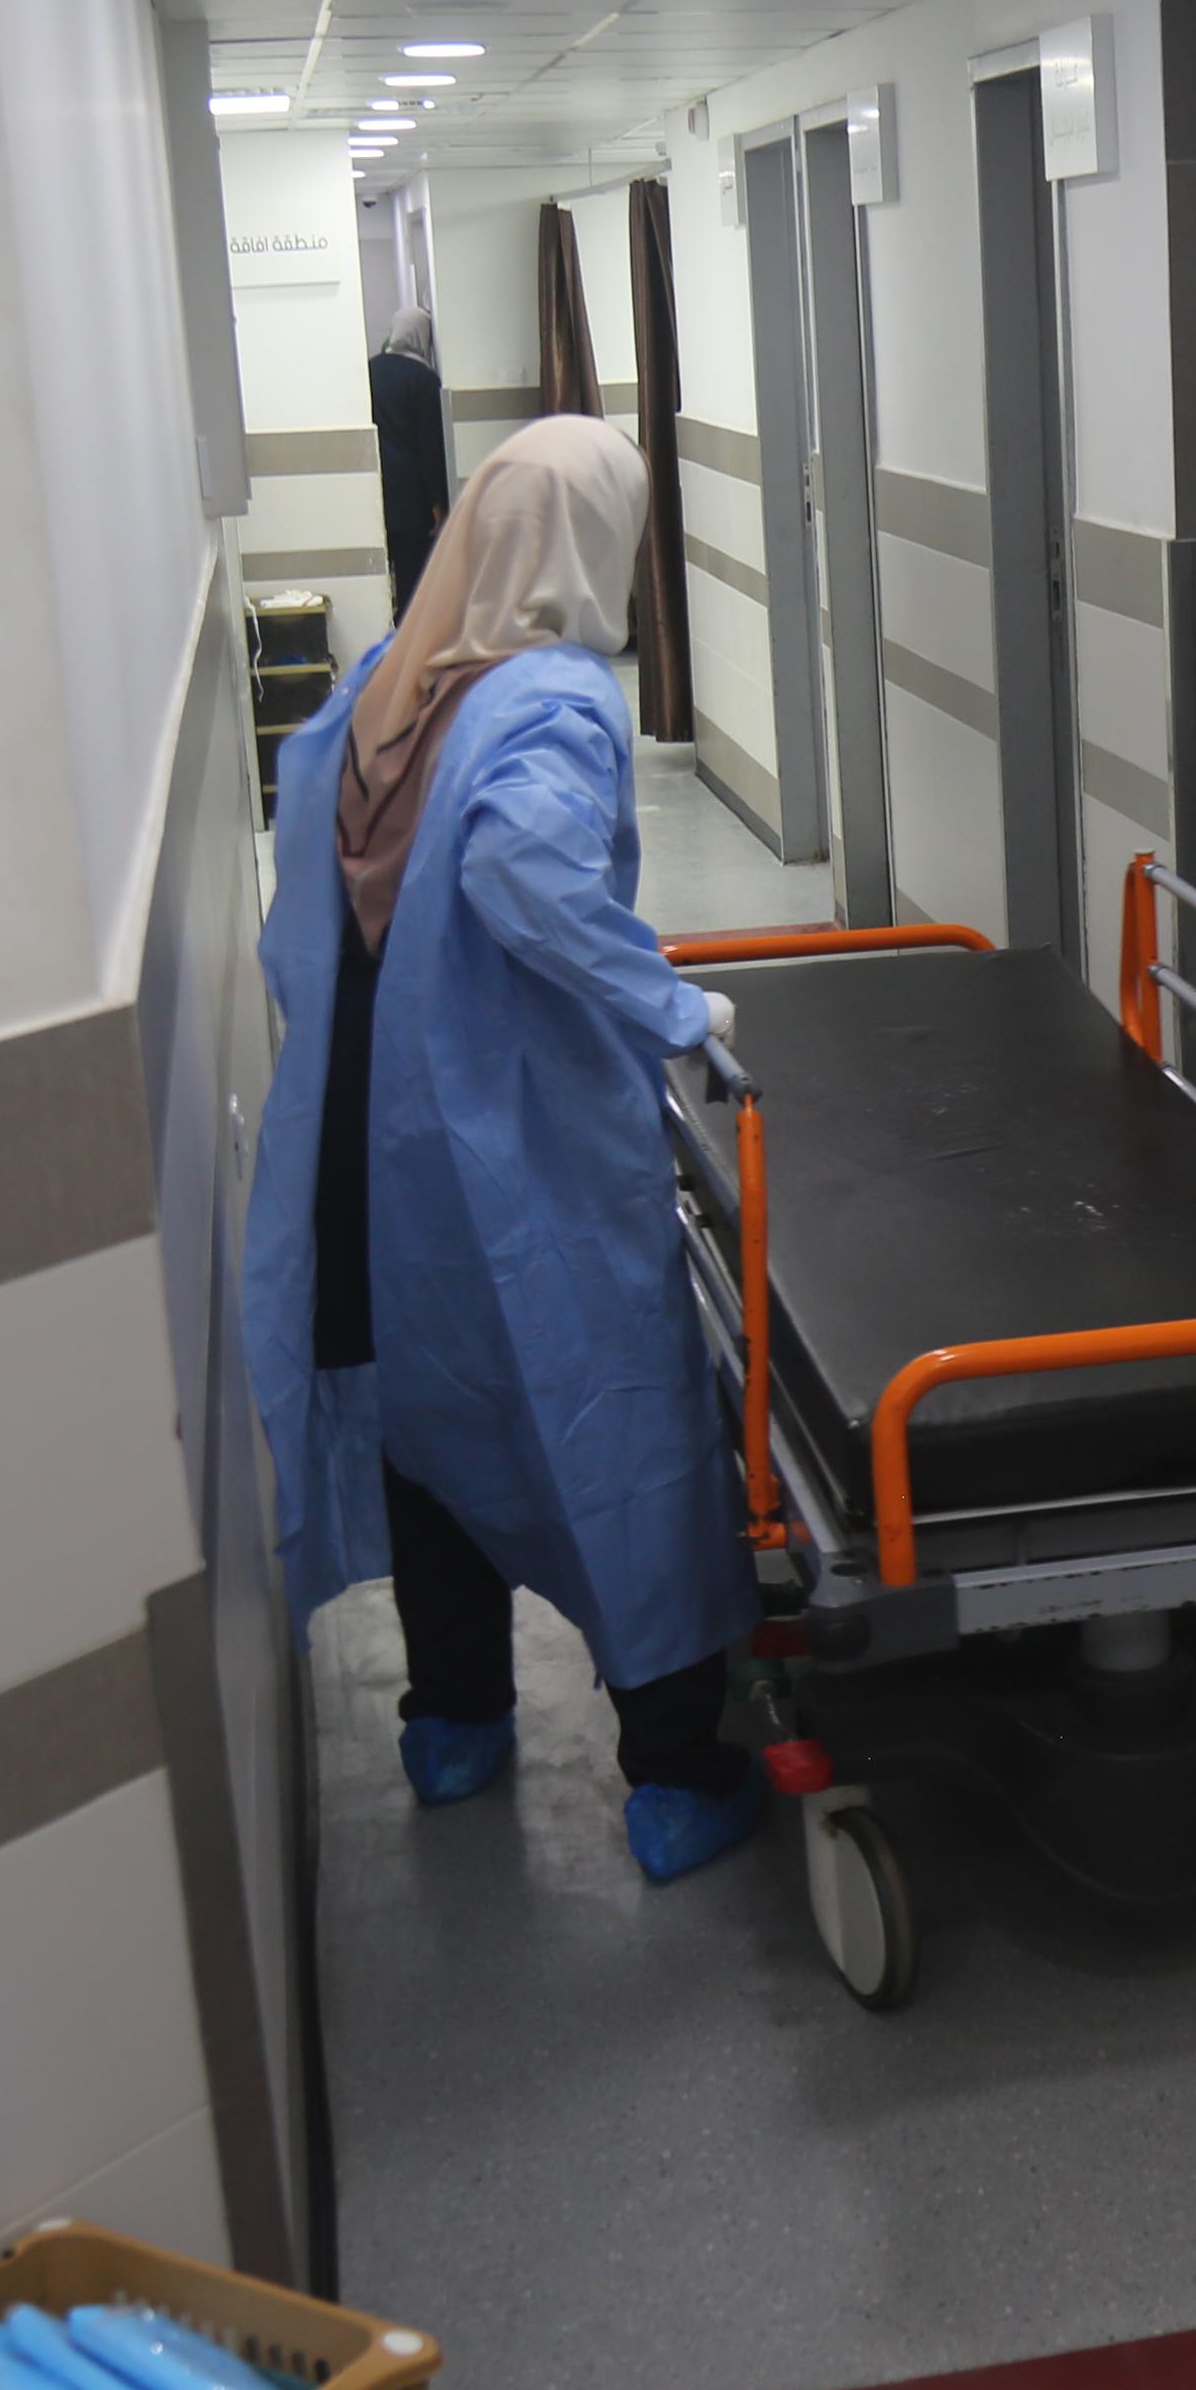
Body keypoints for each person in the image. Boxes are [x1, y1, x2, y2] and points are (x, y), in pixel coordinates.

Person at [240, 416, 764, 1884]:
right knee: (607, 1408)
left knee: (428, 1420)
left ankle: (454, 1722)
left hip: (366, 1134)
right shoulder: (551, 699)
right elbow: (524, 870)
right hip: (499, 1136)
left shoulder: (385, 682)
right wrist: (668, 1005)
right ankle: (676, 1771)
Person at [366, 305, 450, 615]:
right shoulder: (423, 379)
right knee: (412, 576)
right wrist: (438, 503)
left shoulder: (369, 370)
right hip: (412, 496)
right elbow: (430, 445)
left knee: (378, 572)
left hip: (374, 485)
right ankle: (409, 631)